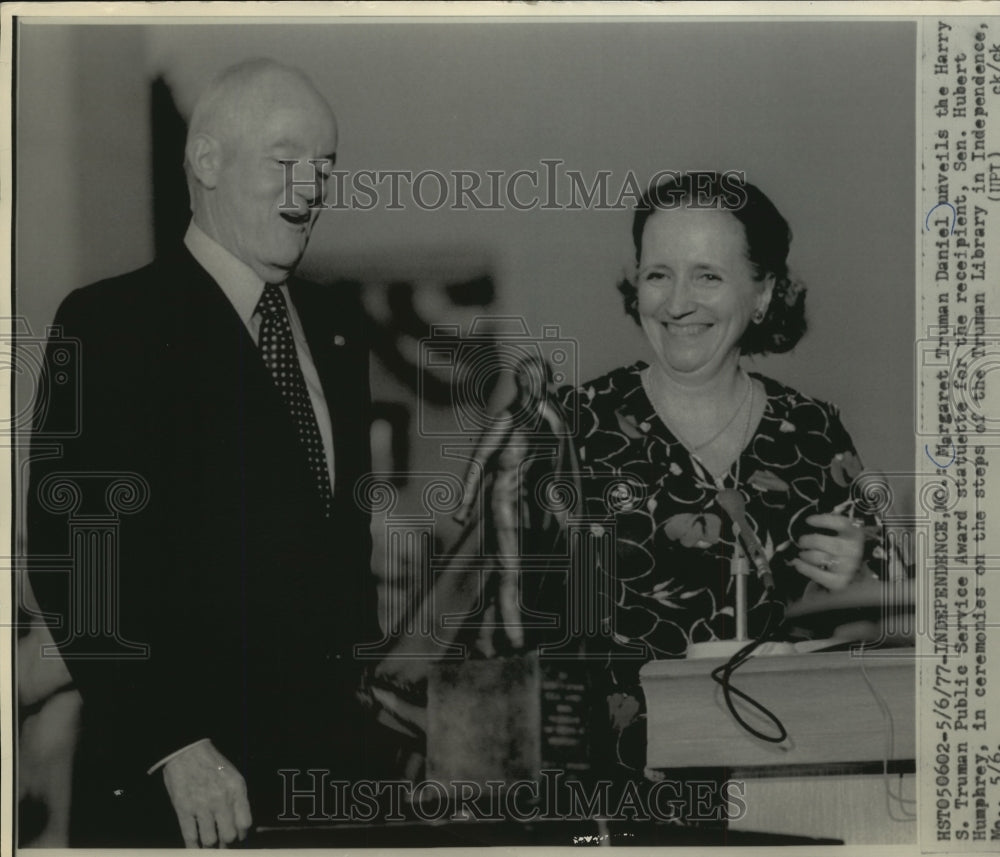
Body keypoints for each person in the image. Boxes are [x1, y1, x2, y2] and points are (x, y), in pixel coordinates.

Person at [27, 58, 384, 847]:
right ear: (208, 161)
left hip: (325, 792)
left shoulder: (335, 330)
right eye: (287, 161)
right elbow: (76, 564)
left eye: (326, 166)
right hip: (175, 798)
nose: (313, 187)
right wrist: (173, 743)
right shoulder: (111, 324)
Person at [555, 171, 886, 787]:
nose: (678, 302)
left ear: (763, 294)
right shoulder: (568, 429)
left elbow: (899, 621)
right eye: (658, 275)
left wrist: (860, 579)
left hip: (787, 792)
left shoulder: (814, 433)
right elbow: (498, 634)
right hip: (609, 801)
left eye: (708, 275)